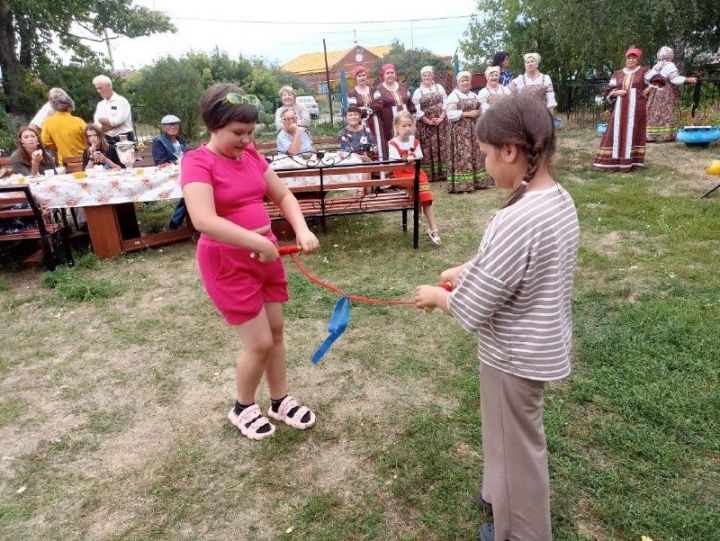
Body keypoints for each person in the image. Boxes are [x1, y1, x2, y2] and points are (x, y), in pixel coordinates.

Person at [414, 94, 579, 541]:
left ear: (511, 150)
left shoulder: (517, 218)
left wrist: (437, 295)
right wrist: (467, 268)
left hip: (514, 357)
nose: (484, 166)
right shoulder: (556, 200)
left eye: (486, 155)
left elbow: (473, 305)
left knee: (517, 447)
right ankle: (496, 492)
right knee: (505, 435)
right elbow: (514, 264)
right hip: (536, 347)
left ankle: (521, 531)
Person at [180, 83, 320, 441]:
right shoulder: (197, 161)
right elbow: (203, 219)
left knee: (275, 333)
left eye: (250, 132)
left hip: (266, 254)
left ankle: (279, 400)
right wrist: (259, 241)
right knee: (258, 343)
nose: (245, 140)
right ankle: (242, 407)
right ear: (214, 126)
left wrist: (301, 229)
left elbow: (283, 194)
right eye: (237, 133)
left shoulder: (253, 156)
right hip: (227, 261)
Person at [592, 47, 652, 172]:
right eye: (629, 58)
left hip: (637, 107)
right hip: (620, 108)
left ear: (637, 59)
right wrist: (616, 92)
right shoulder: (618, 73)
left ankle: (632, 161)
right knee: (615, 131)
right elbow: (609, 89)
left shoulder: (643, 71)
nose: (630, 60)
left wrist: (647, 90)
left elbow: (659, 79)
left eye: (633, 58)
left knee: (634, 131)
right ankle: (612, 161)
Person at [388, 111, 442, 245]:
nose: (407, 129)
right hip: (402, 174)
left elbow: (419, 156)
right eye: (403, 126)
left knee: (425, 195)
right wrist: (406, 159)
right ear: (396, 127)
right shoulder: (393, 143)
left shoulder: (415, 141)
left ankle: (433, 228)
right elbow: (392, 162)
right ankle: (421, 219)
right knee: (422, 189)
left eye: (409, 125)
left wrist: (414, 157)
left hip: (416, 172)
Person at [644, 46, 698, 142]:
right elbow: (674, 79)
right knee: (667, 111)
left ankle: (652, 135)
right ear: (670, 56)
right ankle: (666, 135)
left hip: (655, 92)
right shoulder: (670, 65)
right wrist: (687, 79)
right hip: (666, 92)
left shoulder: (657, 66)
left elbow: (648, 79)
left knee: (654, 111)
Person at [445, 71, 487, 193]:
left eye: (467, 80)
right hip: (459, 132)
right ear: (458, 83)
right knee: (463, 155)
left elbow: (481, 109)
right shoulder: (454, 96)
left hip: (473, 129)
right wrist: (468, 114)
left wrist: (479, 113)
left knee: (475, 153)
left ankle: (477, 182)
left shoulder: (474, 95)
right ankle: (463, 184)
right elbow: (450, 114)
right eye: (463, 80)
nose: (466, 82)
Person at [412, 65, 449, 182]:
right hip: (425, 125)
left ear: (432, 76)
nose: (427, 77)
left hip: (441, 122)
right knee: (428, 147)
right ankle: (430, 174)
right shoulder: (418, 91)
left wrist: (441, 117)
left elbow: (446, 101)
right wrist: (428, 121)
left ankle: (444, 172)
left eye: (429, 75)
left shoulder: (439, 87)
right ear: (421, 77)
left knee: (442, 145)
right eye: (424, 75)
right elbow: (416, 109)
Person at [371, 63, 415, 160]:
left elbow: (410, 104)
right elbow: (375, 108)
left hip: (407, 121)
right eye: (387, 73)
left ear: (395, 74)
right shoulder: (378, 90)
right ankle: (394, 167)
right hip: (390, 123)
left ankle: (411, 164)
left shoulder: (403, 87)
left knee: (408, 141)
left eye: (392, 72)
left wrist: (413, 120)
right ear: (383, 75)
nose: (390, 75)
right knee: (394, 144)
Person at [153, 114, 189, 229]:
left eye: (175, 124)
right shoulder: (159, 141)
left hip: (183, 172)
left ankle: (177, 220)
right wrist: (177, 163)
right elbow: (160, 162)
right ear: (164, 127)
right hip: (168, 176)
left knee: (191, 189)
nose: (173, 126)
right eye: (169, 124)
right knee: (190, 190)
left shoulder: (180, 140)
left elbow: (187, 156)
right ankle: (176, 220)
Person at [347, 65, 384, 160]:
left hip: (375, 121)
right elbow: (354, 110)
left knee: (377, 142)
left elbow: (379, 105)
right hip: (361, 123)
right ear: (355, 78)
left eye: (363, 75)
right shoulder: (352, 93)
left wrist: (364, 108)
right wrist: (367, 109)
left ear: (366, 76)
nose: (362, 78)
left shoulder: (374, 90)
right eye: (359, 76)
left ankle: (379, 169)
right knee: (363, 142)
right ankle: (366, 168)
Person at [40, 92, 86, 166]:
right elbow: (89, 139)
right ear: (70, 106)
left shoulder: (48, 122)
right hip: (84, 162)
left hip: (64, 163)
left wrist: (58, 146)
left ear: (54, 107)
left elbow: (46, 141)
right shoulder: (79, 121)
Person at [92, 75, 135, 145]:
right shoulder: (100, 105)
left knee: (126, 156)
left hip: (124, 138)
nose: (98, 91)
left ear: (109, 86)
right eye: (97, 89)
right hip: (107, 140)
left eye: (100, 88)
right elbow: (97, 124)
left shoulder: (122, 101)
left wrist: (103, 121)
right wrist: (108, 123)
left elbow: (118, 121)